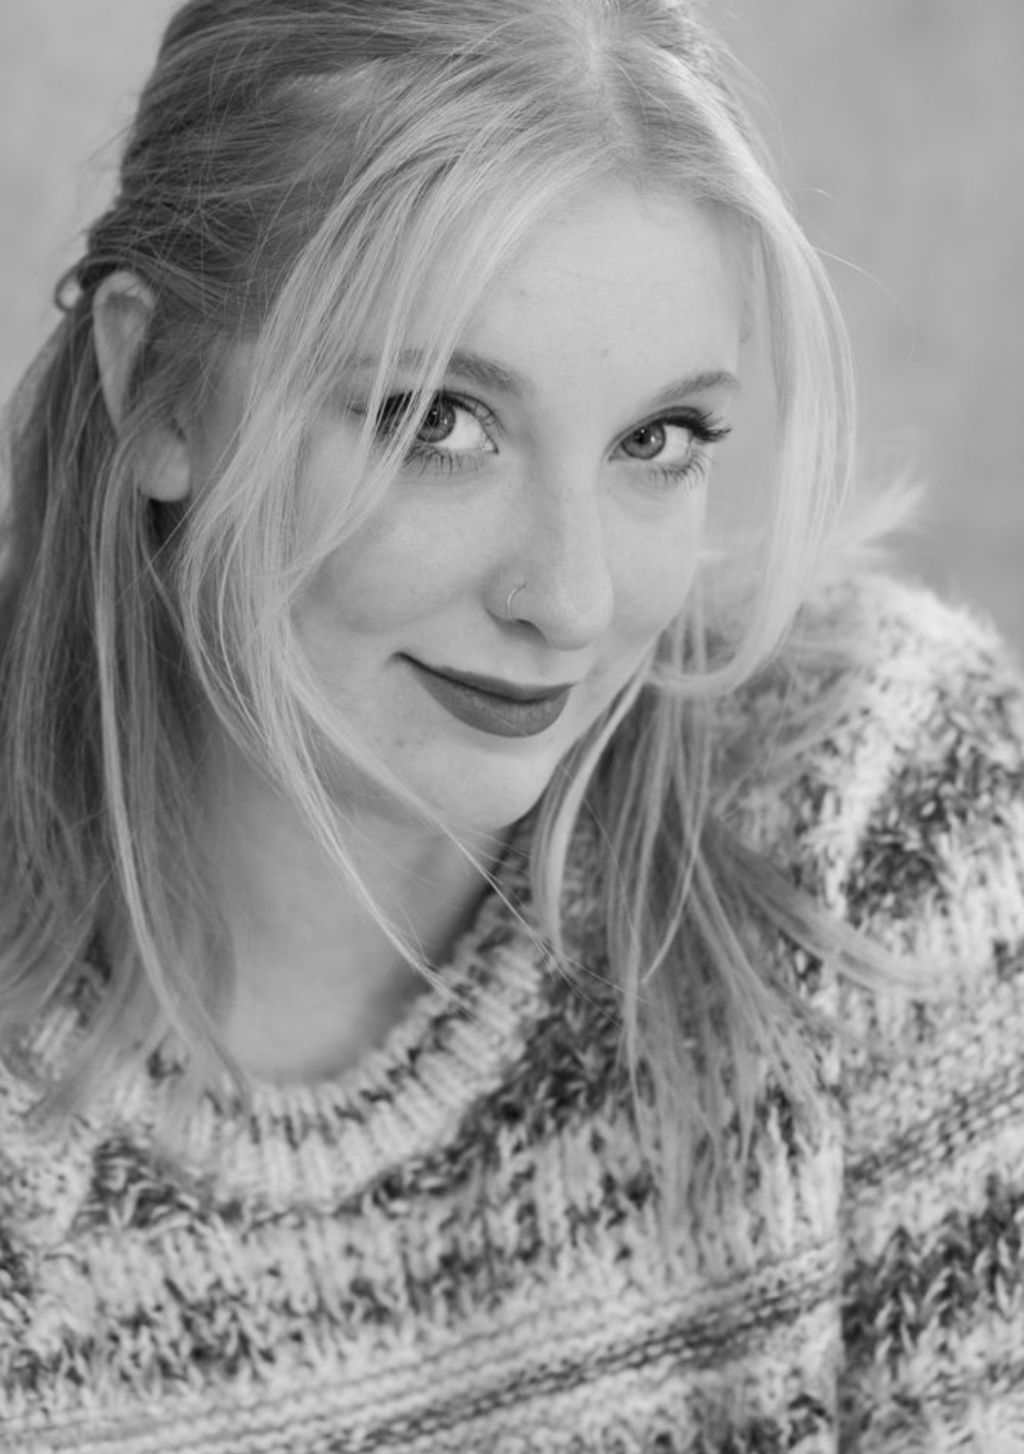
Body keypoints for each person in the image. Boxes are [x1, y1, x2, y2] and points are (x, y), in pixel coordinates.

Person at [0, 0, 1022, 1448]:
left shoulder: (878, 821)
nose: (573, 599)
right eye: (437, 421)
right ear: (156, 388)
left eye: (659, 442)